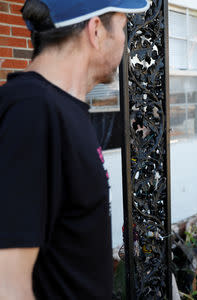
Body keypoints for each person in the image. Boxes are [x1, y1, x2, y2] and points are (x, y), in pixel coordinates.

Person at [0, 0, 149, 299]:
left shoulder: (59, 107)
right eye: (122, 26)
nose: (124, 39)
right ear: (96, 31)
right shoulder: (32, 110)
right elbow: (7, 281)